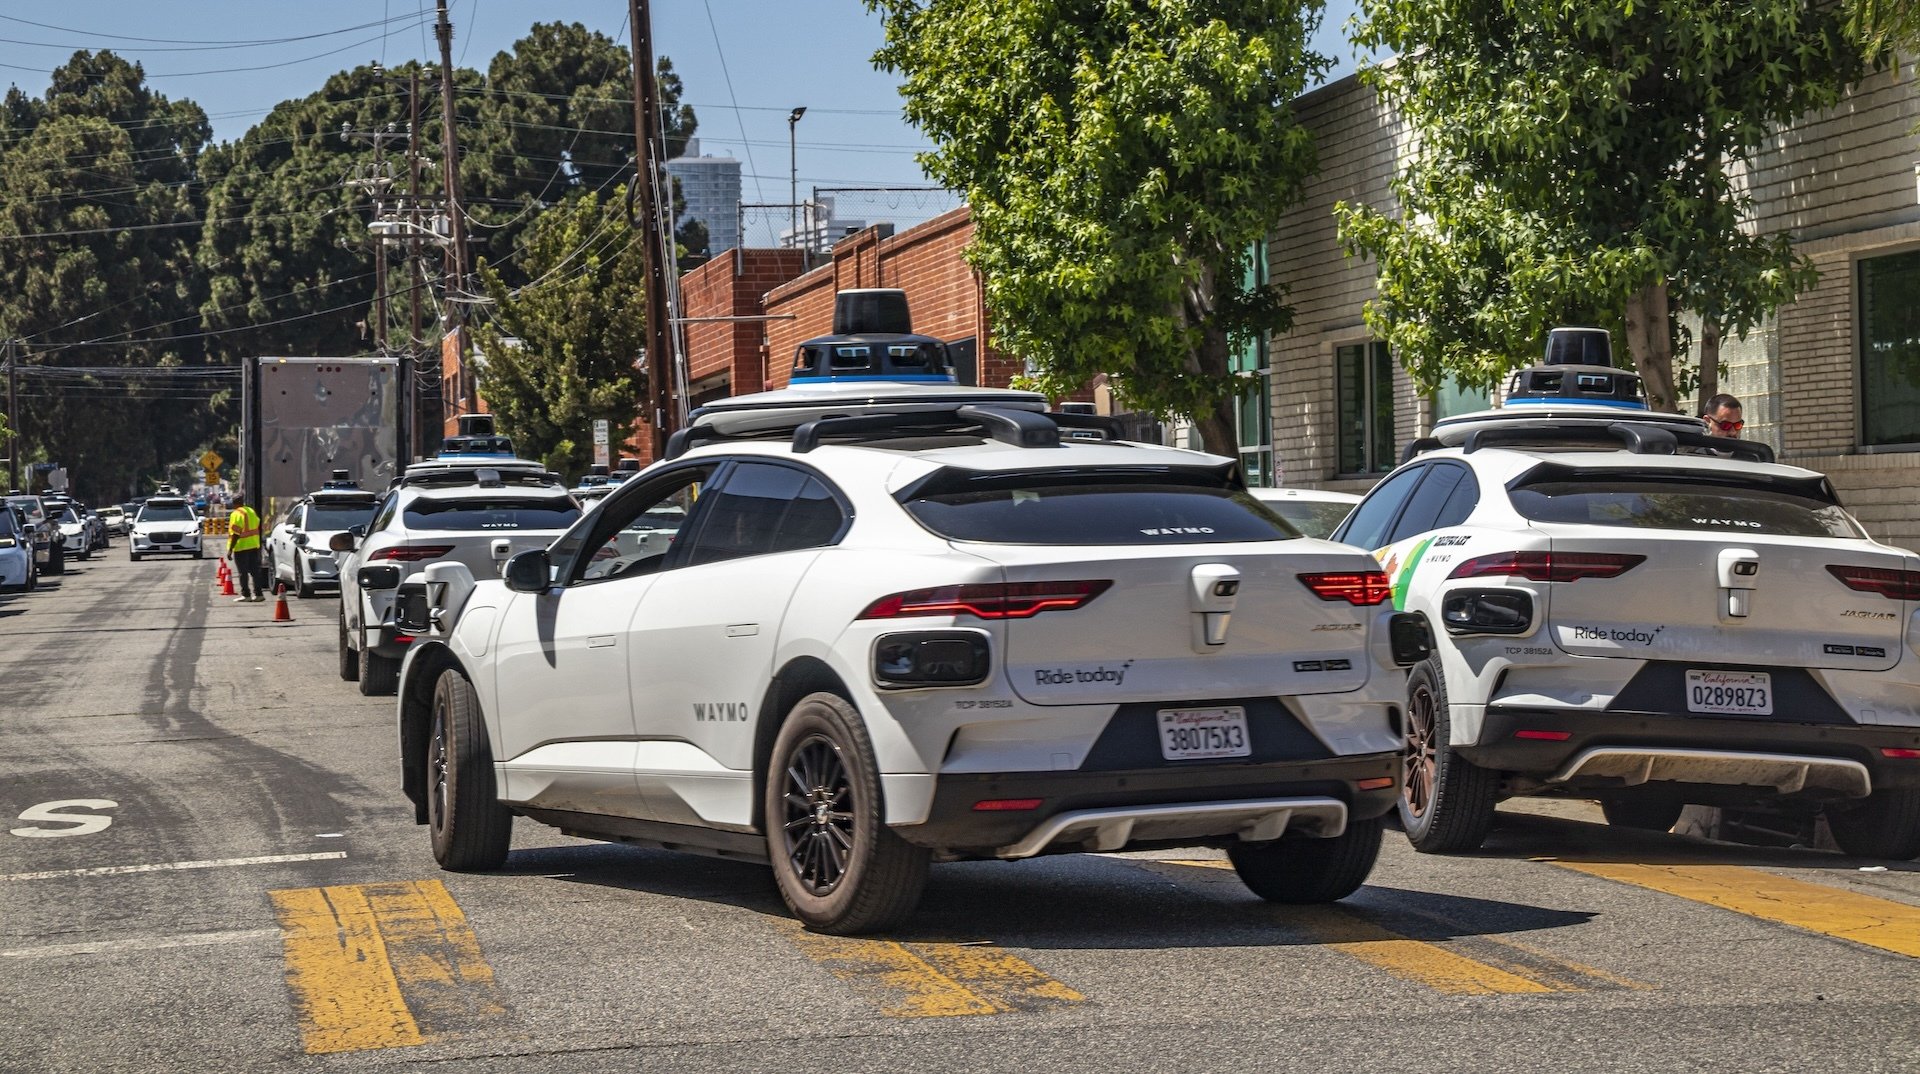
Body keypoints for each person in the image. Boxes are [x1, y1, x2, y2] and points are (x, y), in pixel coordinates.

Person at [227, 495, 265, 602]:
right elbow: (257, 523)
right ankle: (259, 594)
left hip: (241, 547)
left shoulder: (236, 514)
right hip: (253, 545)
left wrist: (230, 549)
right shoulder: (250, 511)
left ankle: (246, 595)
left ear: (234, 503)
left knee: (242, 572)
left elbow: (235, 533)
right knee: (254, 571)